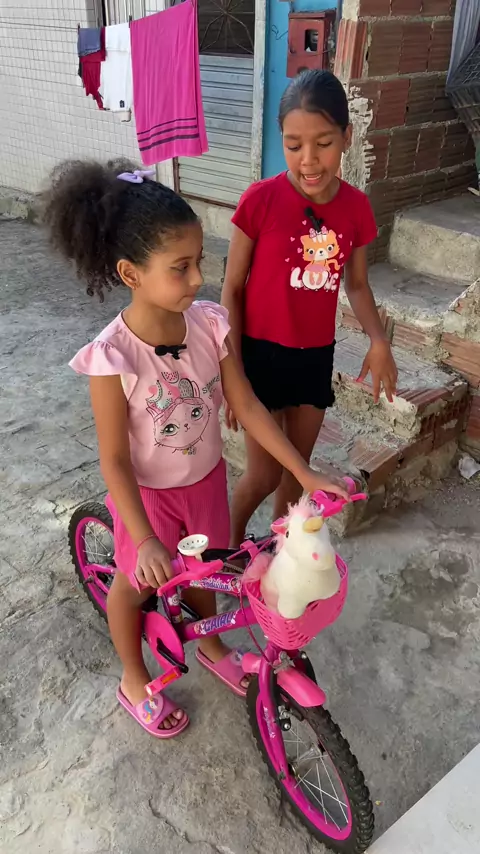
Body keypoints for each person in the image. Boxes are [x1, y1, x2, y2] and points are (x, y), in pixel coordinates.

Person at [43, 159, 350, 739]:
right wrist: (143, 538)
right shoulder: (112, 357)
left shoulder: (209, 325)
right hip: (148, 500)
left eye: (199, 262)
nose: (197, 279)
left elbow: (248, 406)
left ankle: (209, 645)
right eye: (180, 267)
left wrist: (304, 473)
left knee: (207, 574)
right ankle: (134, 678)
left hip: (205, 483)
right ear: (131, 273)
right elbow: (114, 460)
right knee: (133, 588)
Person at [222, 70, 398, 547]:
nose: (309, 160)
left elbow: (356, 284)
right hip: (258, 354)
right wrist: (231, 371)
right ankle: (227, 549)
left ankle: (281, 555)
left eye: (323, 143)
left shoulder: (356, 208)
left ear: (346, 136)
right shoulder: (259, 201)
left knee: (296, 476)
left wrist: (378, 339)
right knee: (262, 475)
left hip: (314, 356)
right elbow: (231, 289)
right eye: (293, 145)